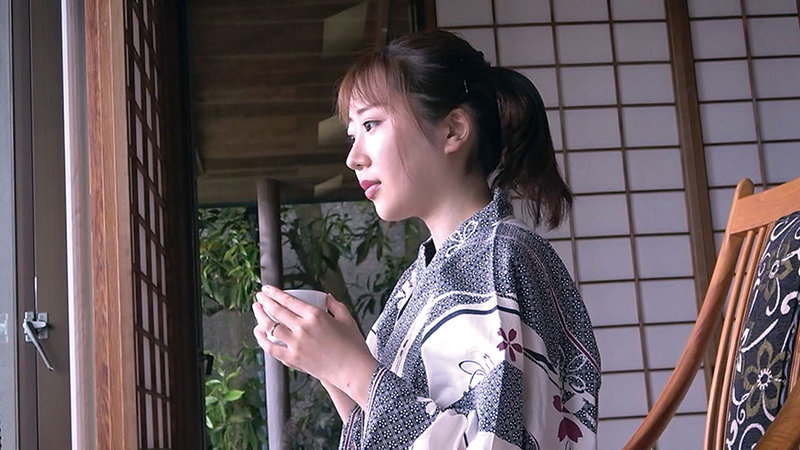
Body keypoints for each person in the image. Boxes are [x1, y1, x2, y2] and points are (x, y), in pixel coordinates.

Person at [253, 30, 600, 449]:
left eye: (370, 124)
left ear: (453, 130)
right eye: (352, 135)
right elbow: (395, 431)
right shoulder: (425, 274)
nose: (353, 157)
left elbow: (491, 441)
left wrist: (348, 366)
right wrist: (330, 368)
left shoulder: (501, 257)